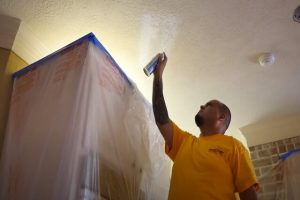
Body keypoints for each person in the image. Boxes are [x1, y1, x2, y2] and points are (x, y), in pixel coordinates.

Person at [151, 53, 259, 200]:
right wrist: (158, 76)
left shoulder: (234, 146)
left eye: (208, 105)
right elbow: (161, 118)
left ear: (221, 117)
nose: (202, 105)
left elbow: (248, 193)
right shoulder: (184, 142)